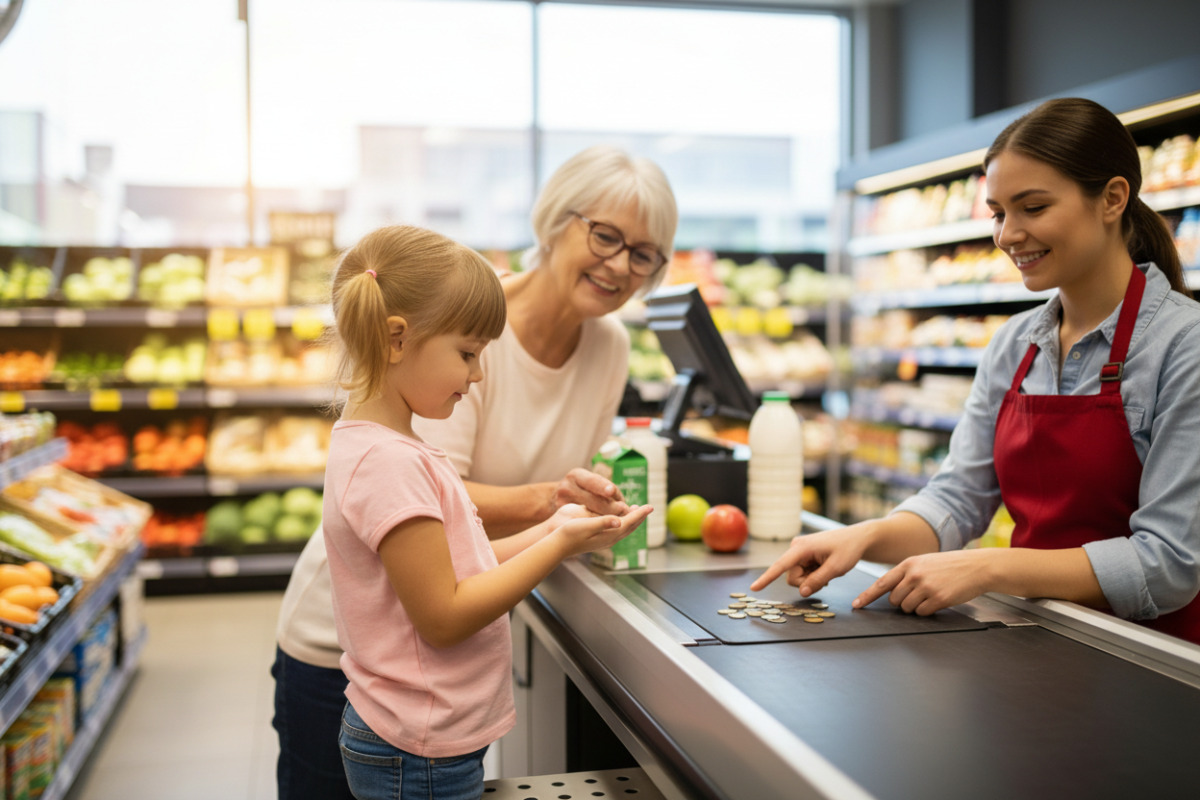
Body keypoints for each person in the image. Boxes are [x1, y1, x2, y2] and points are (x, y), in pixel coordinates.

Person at [272, 145, 679, 799]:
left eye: (643, 254)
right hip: (357, 652)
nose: (619, 264)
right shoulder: (450, 328)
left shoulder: (609, 347)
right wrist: (553, 513)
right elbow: (439, 503)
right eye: (606, 235)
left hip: (433, 680)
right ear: (555, 220)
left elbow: (458, 537)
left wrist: (570, 515)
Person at [753, 97, 1200, 645]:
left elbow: (1169, 562)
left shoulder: (1184, 346)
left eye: (1032, 208)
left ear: (1111, 199)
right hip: (1038, 634)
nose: (1008, 234)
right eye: (998, 213)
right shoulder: (1016, 344)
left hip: (1155, 660)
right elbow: (959, 497)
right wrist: (864, 537)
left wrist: (988, 568)